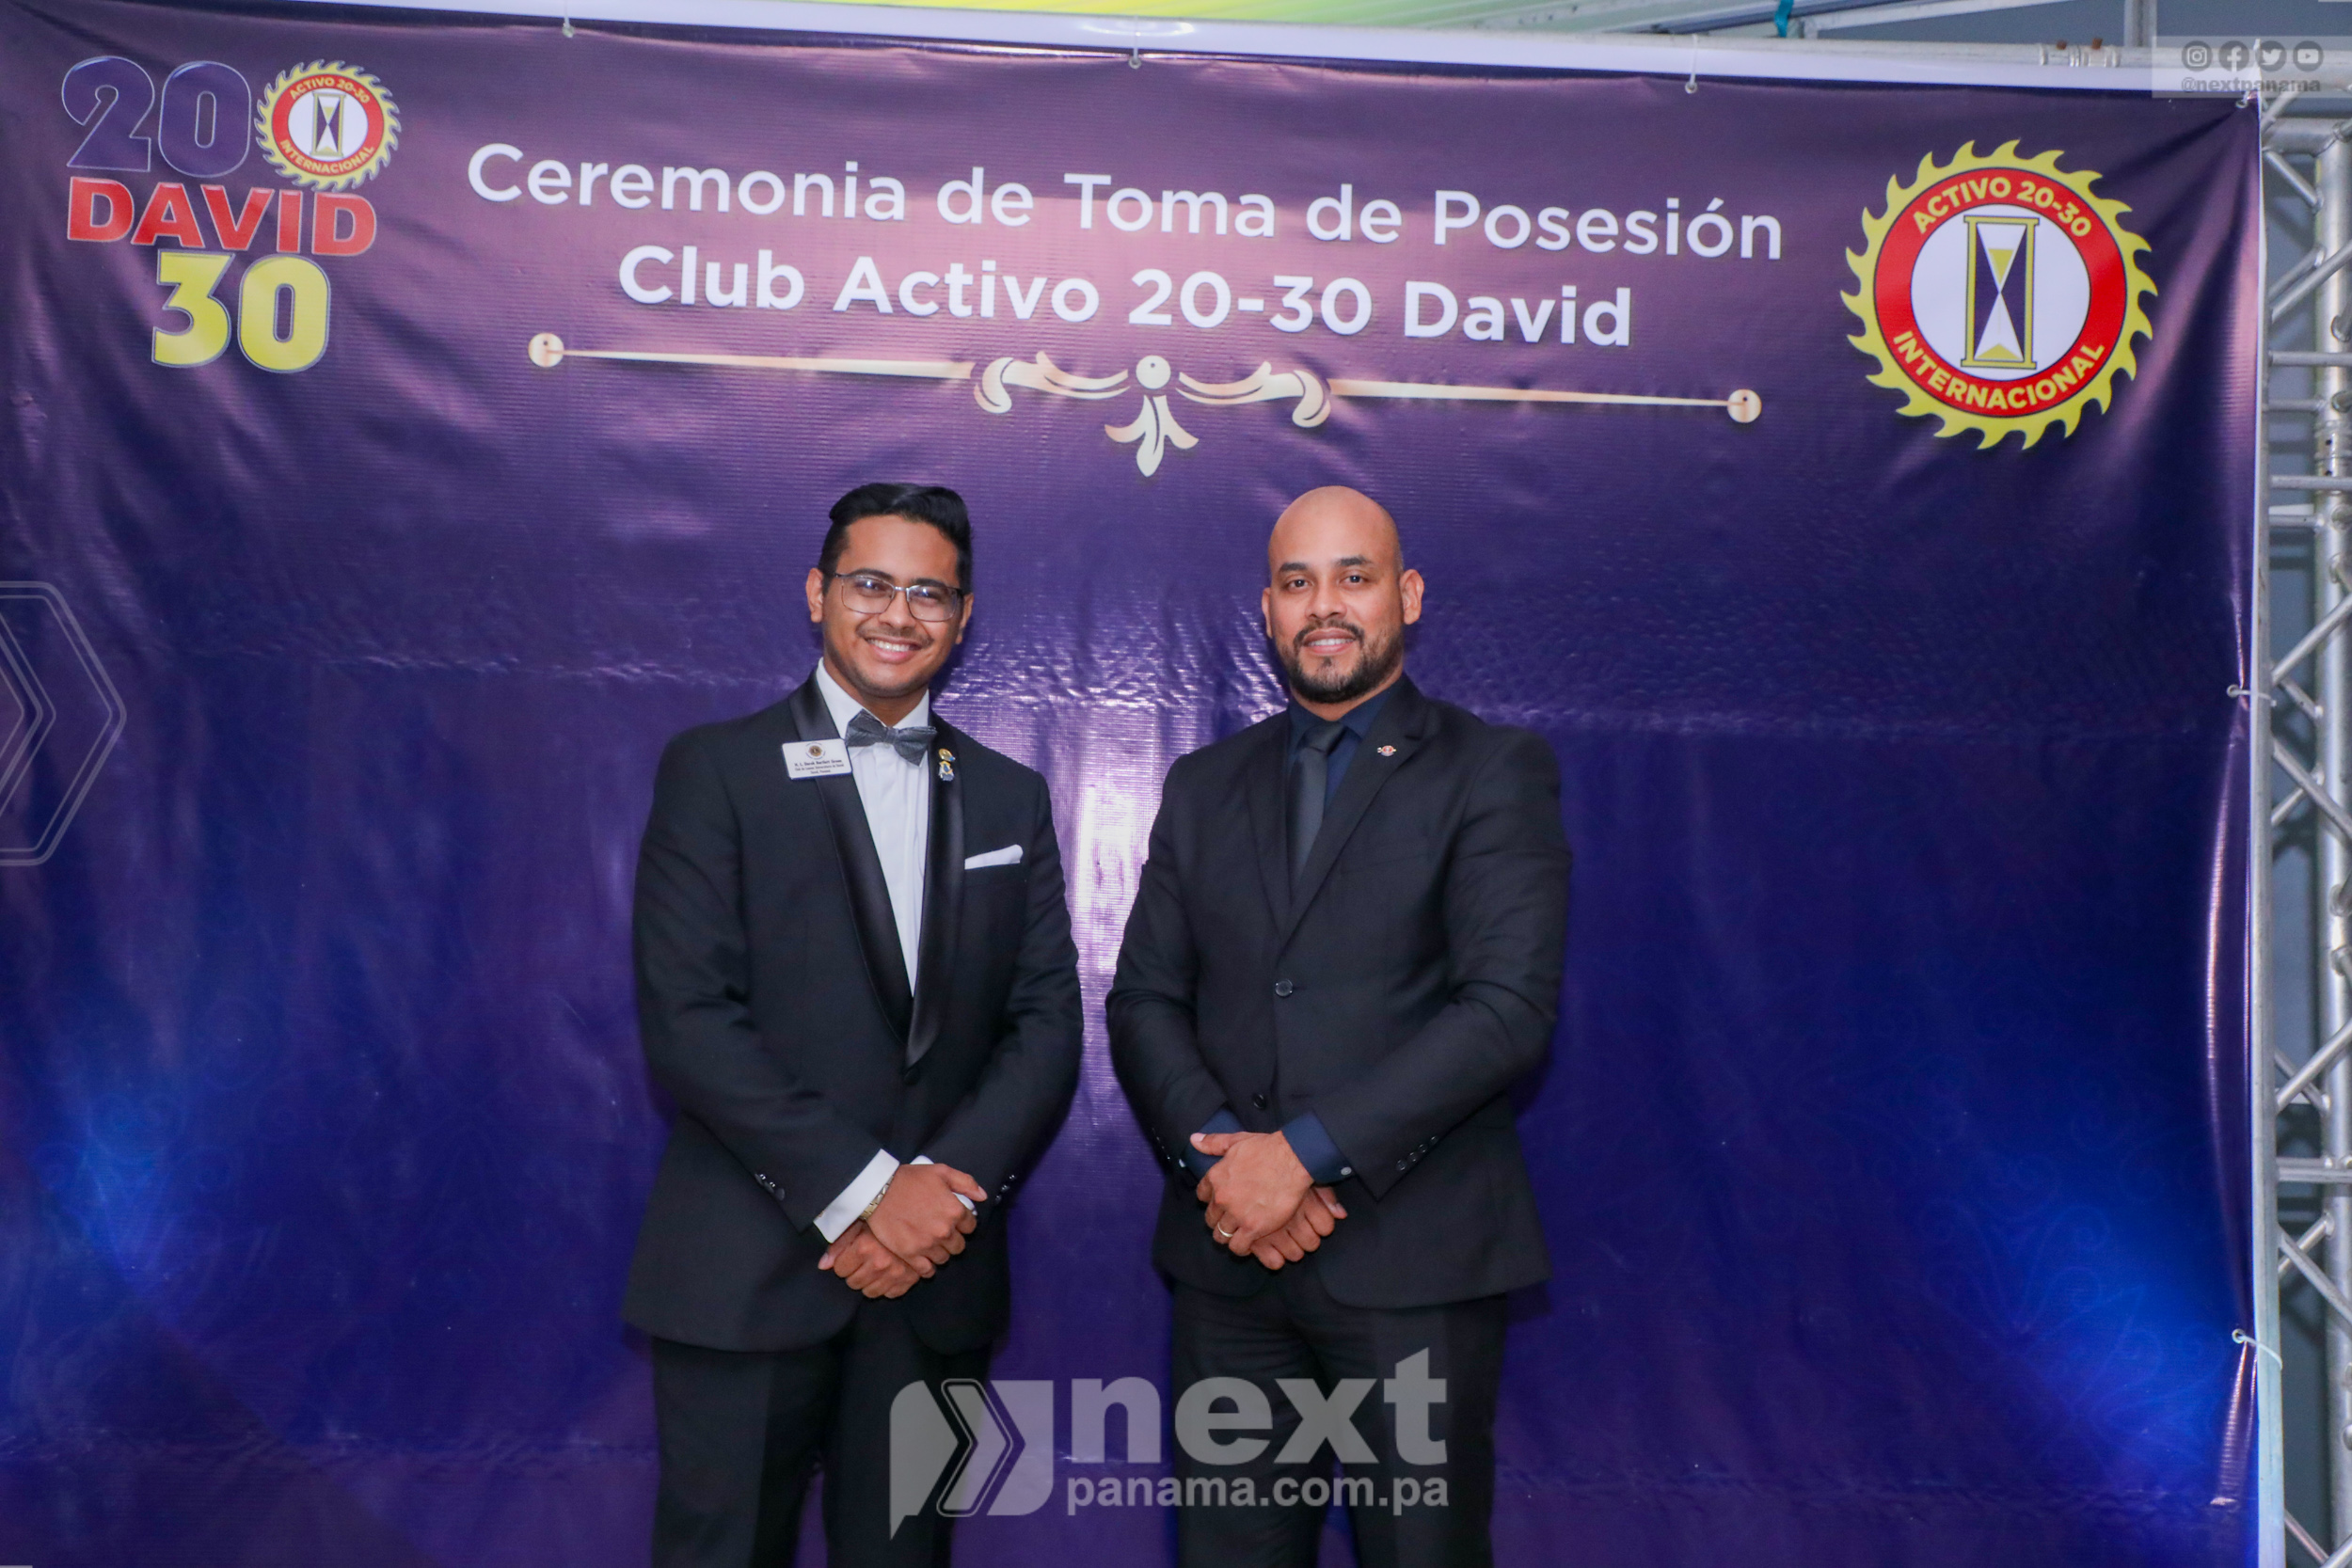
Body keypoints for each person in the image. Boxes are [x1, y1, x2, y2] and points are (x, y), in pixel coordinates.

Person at [1107, 484, 1570, 1568]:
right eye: (1297, 581)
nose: (1325, 604)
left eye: (1353, 577)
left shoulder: (1491, 770)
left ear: (1406, 595)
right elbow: (1144, 999)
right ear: (1268, 609)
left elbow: (1506, 1009)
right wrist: (1230, 1164)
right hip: (1230, 1266)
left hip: (1415, 1268)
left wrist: (1304, 1157)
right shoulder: (1202, 784)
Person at [624, 483, 1082, 1567]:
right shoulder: (715, 770)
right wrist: (874, 1191)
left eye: (930, 592)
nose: (898, 613)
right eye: (871, 583)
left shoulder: (1010, 797)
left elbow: (1045, 1020)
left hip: (934, 1283)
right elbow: (689, 1018)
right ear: (817, 592)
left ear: (963, 617)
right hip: (748, 1267)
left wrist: (941, 1197)